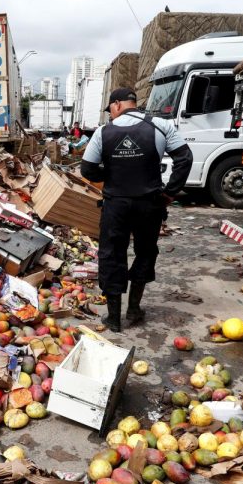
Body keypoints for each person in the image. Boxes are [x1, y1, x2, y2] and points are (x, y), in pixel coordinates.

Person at [80, 87, 193, 332]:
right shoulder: (162, 126)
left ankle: (113, 318)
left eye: (110, 108)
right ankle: (133, 310)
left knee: (111, 254)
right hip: (149, 204)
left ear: (118, 104)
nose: (110, 114)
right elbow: (185, 159)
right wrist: (170, 193)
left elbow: (87, 170)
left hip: (115, 206)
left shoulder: (103, 132)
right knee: (145, 252)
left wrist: (110, 173)